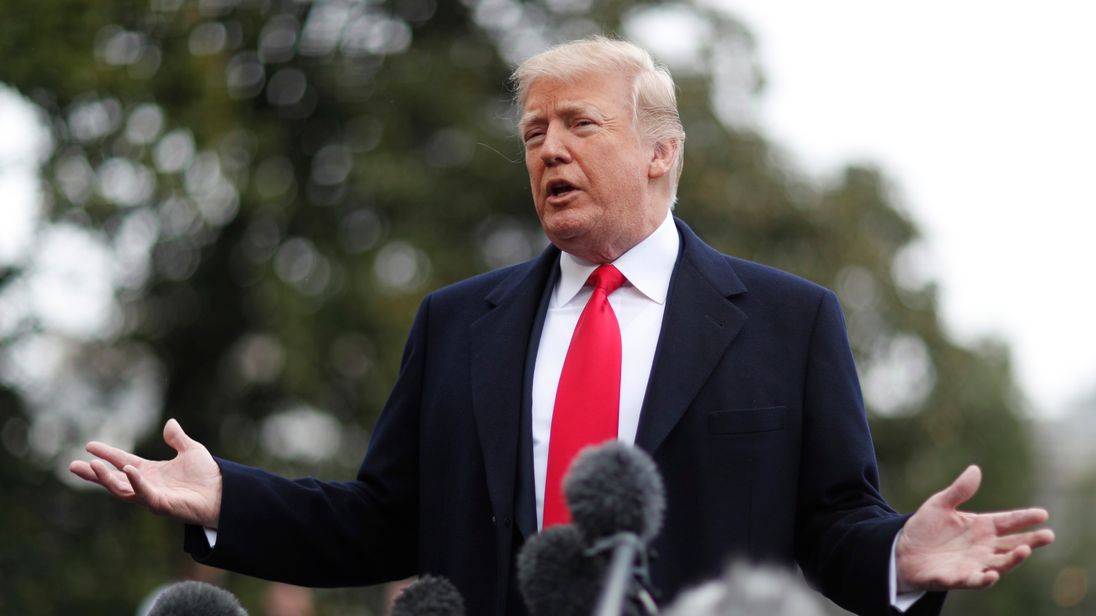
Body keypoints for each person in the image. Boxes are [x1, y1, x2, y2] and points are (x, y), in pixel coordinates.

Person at [70, 36, 1054, 616]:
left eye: (580, 124)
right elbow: (379, 521)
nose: (550, 149)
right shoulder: (459, 325)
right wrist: (223, 499)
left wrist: (897, 557)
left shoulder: (790, 322)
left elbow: (831, 522)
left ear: (663, 151)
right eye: (534, 132)